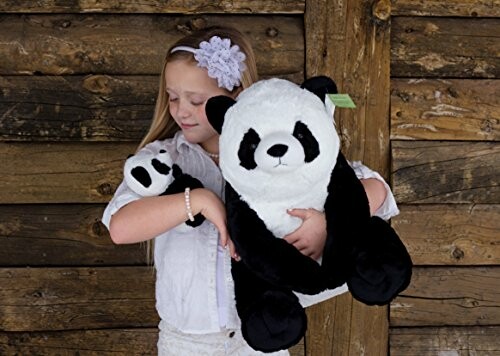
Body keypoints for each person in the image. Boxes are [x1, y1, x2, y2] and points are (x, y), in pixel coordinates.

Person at [102, 25, 399, 356]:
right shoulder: (163, 161)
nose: (181, 110)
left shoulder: (279, 155)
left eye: (196, 100)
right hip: (187, 343)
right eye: (173, 97)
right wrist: (198, 200)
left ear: (234, 97)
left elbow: (377, 189)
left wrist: (328, 222)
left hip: (261, 337)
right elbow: (120, 227)